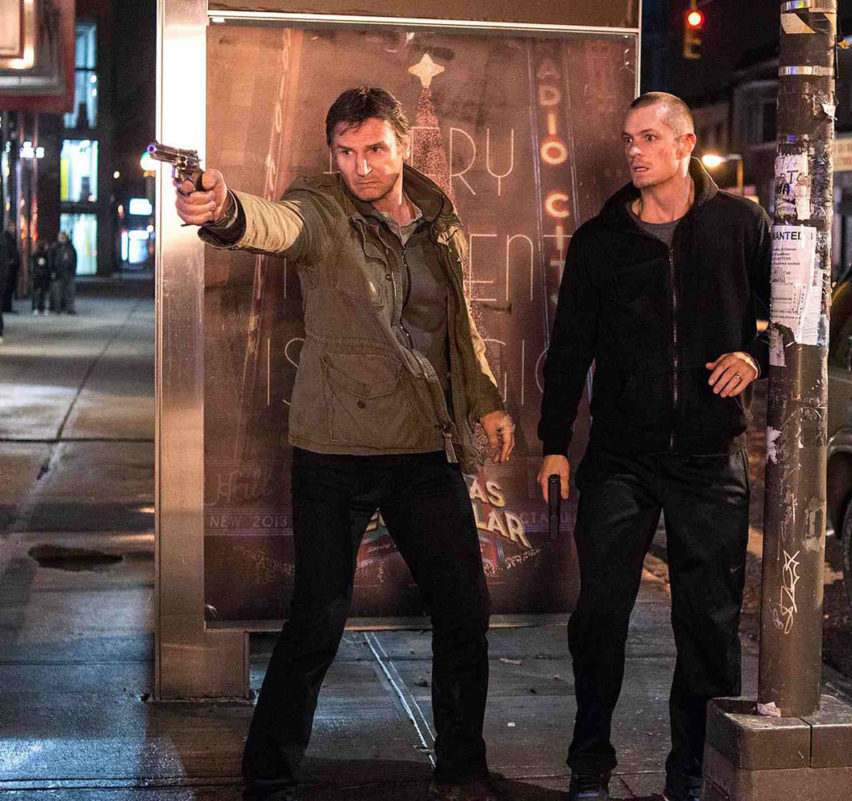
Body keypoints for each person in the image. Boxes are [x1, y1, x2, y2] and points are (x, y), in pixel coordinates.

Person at [174, 86, 516, 801]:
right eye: (346, 151)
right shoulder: (322, 208)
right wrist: (225, 209)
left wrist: (485, 401)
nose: (361, 166)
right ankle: (269, 775)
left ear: (403, 147)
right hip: (335, 452)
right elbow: (275, 225)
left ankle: (462, 769)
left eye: (375, 150)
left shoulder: (437, 218)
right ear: (331, 152)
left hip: (424, 449)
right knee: (318, 619)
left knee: (465, 612)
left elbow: (457, 326)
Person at [536, 92, 771, 801]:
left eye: (648, 137)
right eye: (628, 139)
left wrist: (753, 356)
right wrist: (554, 442)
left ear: (685, 144)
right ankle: (589, 761)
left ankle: (691, 770)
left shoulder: (741, 224)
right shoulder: (600, 240)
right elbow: (569, 347)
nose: (633, 151)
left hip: (710, 454)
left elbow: (784, 316)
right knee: (599, 615)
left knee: (709, 624)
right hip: (621, 457)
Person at [49, 232, 78, 314]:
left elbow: (74, 259)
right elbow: (51, 259)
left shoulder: (71, 247)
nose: (62, 238)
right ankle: (57, 308)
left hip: (68, 272)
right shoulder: (54, 247)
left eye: (63, 237)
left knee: (70, 292)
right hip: (58, 273)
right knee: (57, 292)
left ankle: (70, 308)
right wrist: (52, 271)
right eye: (60, 237)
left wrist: (73, 270)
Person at [31, 239, 53, 316]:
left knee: (37, 293)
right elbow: (49, 266)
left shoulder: (35, 255)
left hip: (37, 276)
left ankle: (36, 308)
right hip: (44, 276)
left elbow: (33, 266)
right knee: (45, 293)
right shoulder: (47, 255)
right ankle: (45, 308)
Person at [0, 221, 18, 315]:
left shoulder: (9, 239)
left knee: (8, 289)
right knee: (7, 289)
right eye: (12, 227)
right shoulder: (6, 239)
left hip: (9, 268)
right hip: (8, 268)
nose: (13, 229)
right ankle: (6, 307)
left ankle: (7, 307)